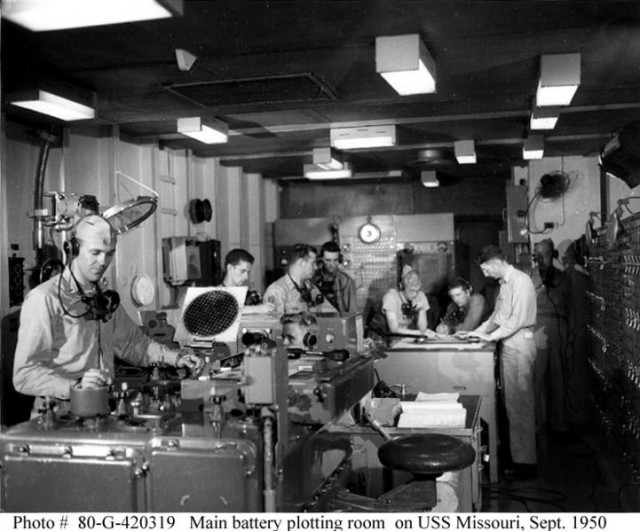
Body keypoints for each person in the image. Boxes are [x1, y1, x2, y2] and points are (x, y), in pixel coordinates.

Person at [13, 215, 203, 417]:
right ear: (73, 249)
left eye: (109, 254)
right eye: (95, 253)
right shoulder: (44, 299)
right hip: (59, 415)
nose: (103, 262)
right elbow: (25, 375)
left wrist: (177, 358)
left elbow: (133, 344)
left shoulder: (103, 299)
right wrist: (75, 386)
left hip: (99, 410)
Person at [463, 245, 537, 478]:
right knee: (512, 404)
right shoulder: (506, 284)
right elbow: (497, 316)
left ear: (496, 263)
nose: (485, 274)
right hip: (509, 344)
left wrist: (489, 336)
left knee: (521, 405)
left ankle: (525, 465)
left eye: (486, 269)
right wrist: (477, 332)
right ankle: (518, 459)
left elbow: (515, 321)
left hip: (519, 343)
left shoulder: (521, 281)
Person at [530, 239, 575, 435]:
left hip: (558, 327)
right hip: (536, 328)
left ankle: (559, 425)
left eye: (544, 255)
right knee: (536, 379)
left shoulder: (563, 278)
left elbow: (571, 308)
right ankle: (539, 425)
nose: (540, 260)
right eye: (536, 255)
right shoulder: (529, 279)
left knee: (558, 377)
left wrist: (570, 339)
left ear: (553, 255)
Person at [263, 243, 337, 314]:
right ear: (301, 263)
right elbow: (276, 324)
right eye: (313, 263)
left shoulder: (310, 287)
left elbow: (331, 312)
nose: (316, 267)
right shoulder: (277, 291)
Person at [381, 265, 435, 337]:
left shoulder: (420, 296)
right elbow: (394, 329)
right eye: (411, 290)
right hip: (391, 338)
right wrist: (419, 333)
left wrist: (421, 311)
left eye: (417, 290)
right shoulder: (391, 297)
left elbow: (423, 328)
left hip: (412, 338)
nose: (415, 294)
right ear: (402, 286)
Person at [221, 248, 274, 313]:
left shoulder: (245, 296)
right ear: (230, 268)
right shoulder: (216, 293)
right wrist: (258, 309)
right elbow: (226, 310)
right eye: (242, 271)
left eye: (248, 272)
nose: (246, 277)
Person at [313, 241, 358, 315]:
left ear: (340, 260)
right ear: (321, 259)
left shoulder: (345, 281)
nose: (332, 265)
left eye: (335, 260)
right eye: (328, 260)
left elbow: (351, 311)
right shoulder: (313, 279)